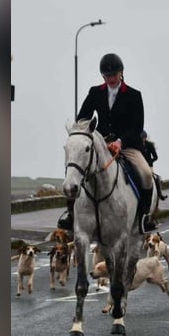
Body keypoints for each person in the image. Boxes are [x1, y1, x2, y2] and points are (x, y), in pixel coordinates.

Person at [57, 53, 158, 233]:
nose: (111, 79)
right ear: (103, 76)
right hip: (101, 143)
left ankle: (144, 216)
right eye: (107, 76)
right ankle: (71, 213)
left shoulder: (134, 95)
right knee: (77, 169)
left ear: (121, 73)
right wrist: (93, 137)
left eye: (114, 75)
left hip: (127, 145)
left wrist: (120, 141)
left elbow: (137, 126)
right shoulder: (95, 92)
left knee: (146, 174)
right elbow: (83, 117)